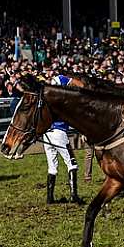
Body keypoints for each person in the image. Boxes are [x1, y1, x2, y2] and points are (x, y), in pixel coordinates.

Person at [43, 74, 83, 205]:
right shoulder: (62, 99)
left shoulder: (48, 98)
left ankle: (50, 198)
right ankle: (74, 195)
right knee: (72, 164)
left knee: (52, 167)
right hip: (60, 133)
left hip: (47, 134)